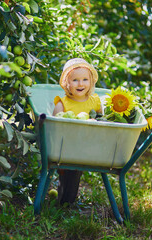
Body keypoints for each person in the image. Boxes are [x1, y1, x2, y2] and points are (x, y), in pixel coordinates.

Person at [53, 58, 102, 205]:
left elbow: (101, 120)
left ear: (91, 82)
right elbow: (54, 125)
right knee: (67, 174)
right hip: (66, 146)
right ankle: (64, 202)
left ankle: (66, 202)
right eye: (75, 80)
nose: (80, 84)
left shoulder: (95, 101)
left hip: (88, 147)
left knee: (74, 174)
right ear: (67, 83)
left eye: (85, 79)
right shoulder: (62, 104)